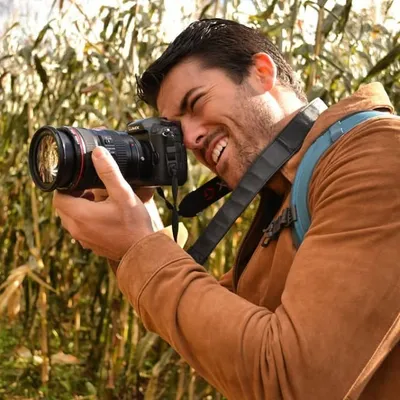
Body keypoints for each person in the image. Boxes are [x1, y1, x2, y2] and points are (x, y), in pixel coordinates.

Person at [53, 18, 400, 399]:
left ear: (261, 72)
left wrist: (141, 249)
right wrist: (136, 234)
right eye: (175, 129)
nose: (190, 138)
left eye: (196, 103)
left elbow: (297, 380)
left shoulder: (376, 153)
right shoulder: (285, 191)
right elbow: (227, 339)